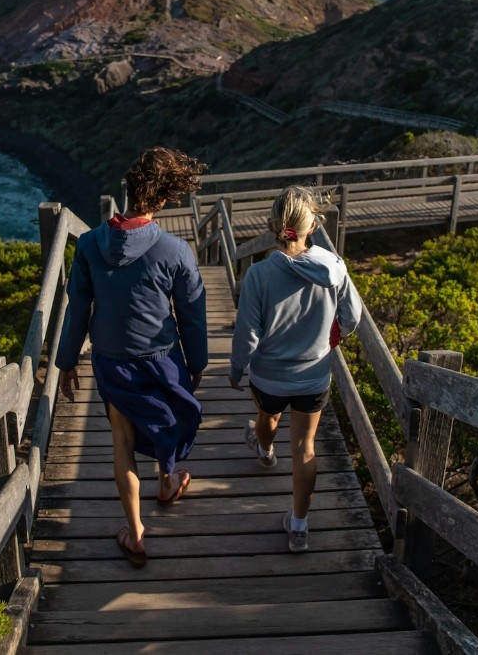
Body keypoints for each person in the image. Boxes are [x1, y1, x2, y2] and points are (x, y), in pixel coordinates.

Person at [55, 146, 208, 569]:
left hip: (111, 359)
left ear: (128, 189)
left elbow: (78, 308)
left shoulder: (88, 244)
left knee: (122, 442)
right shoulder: (176, 251)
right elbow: (192, 313)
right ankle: (167, 483)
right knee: (164, 420)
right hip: (162, 357)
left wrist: (66, 360)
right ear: (161, 199)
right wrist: (197, 363)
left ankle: (136, 533)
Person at [229, 186, 362, 552]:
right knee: (305, 447)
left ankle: (266, 452)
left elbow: (248, 333)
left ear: (273, 225)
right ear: (313, 225)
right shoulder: (334, 268)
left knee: (267, 417)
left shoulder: (258, 275)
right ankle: (299, 525)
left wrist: (236, 368)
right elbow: (352, 318)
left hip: (269, 374)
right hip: (313, 374)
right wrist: (329, 338)